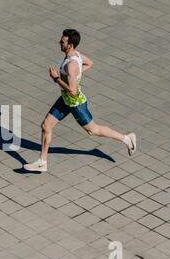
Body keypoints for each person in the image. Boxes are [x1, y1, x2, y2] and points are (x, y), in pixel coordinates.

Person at [24, 29, 136, 172]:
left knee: (93, 130)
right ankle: (42, 161)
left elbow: (72, 91)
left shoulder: (71, 65)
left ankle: (127, 139)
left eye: (63, 41)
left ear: (70, 45)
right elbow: (90, 63)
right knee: (46, 125)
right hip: (65, 100)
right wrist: (76, 75)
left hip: (75, 103)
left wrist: (56, 78)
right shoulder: (76, 55)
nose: (60, 42)